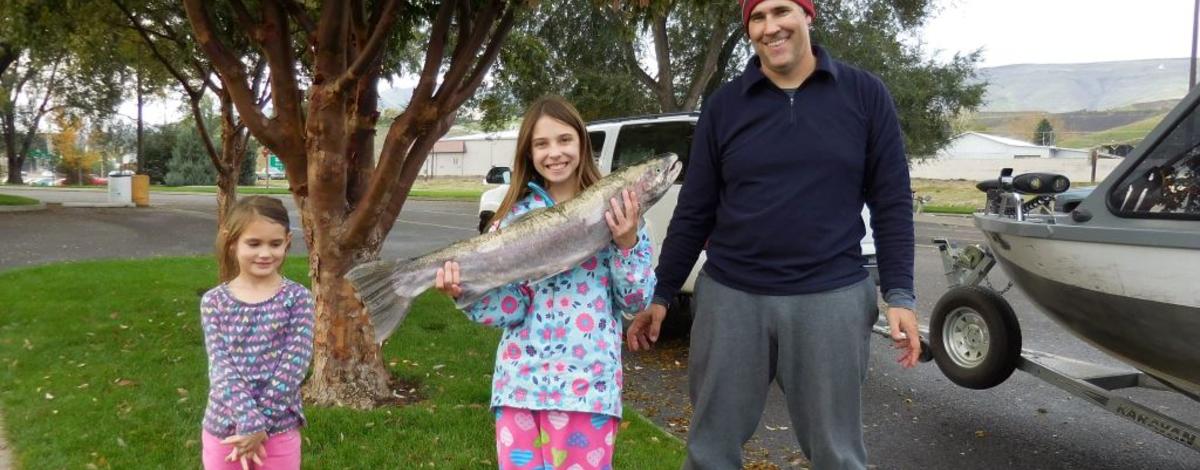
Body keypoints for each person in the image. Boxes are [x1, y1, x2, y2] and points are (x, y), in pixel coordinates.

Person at [625, 0, 920, 468]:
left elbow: (892, 201)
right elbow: (694, 210)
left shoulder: (864, 95)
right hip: (732, 299)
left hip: (832, 297)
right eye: (756, 18)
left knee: (838, 455)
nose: (770, 27)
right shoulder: (724, 106)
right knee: (710, 451)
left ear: (807, 15)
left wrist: (900, 294)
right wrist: (662, 293)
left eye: (781, 11)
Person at [435, 96, 655, 469]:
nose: (555, 152)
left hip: (588, 393)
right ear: (528, 152)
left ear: (582, 144)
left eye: (564, 139)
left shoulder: (622, 216)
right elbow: (512, 308)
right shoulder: (511, 219)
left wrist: (627, 243)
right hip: (519, 388)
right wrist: (467, 293)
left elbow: (634, 302)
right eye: (542, 143)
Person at [200, 196, 314, 470]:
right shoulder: (214, 302)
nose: (265, 253)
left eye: (275, 244)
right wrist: (247, 421)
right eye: (254, 243)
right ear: (232, 242)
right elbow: (221, 367)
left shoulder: (298, 299)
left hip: (277, 431)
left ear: (287, 241)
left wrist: (259, 425)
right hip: (224, 430)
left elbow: (293, 365)